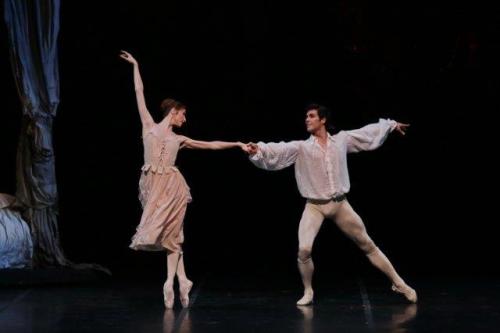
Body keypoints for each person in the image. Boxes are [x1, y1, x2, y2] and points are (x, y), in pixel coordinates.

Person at [246, 104, 417, 305]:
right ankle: (308, 291)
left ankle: (399, 283)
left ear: (323, 119)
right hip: (315, 206)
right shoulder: (302, 147)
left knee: (368, 244)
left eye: (311, 116)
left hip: (339, 204)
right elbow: (278, 149)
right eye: (306, 116)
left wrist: (391, 125)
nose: (307, 119)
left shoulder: (341, 140)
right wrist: (259, 149)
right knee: (304, 249)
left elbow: (366, 134)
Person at [120, 50, 248, 308]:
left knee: (174, 234)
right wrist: (136, 65)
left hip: (173, 187)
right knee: (170, 235)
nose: (185, 119)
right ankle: (181, 280)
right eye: (183, 114)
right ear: (174, 111)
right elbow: (139, 92)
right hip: (152, 186)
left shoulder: (180, 140)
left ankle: (170, 282)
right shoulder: (148, 125)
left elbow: (210, 145)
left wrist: (236, 144)